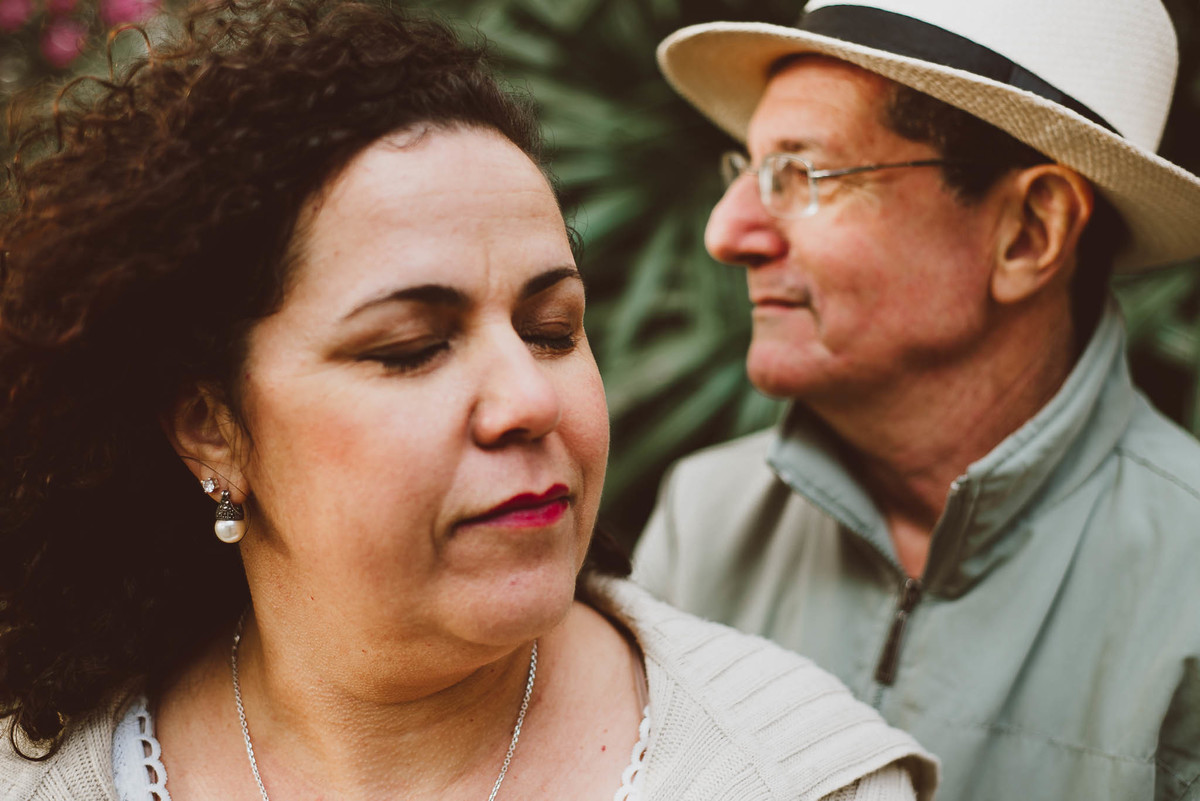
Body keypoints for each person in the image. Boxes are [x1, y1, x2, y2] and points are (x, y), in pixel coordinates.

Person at [0, 2, 937, 799]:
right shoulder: (48, 765)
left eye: (553, 330)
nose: (529, 399)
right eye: (411, 349)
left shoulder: (798, 779)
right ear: (212, 428)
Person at [633, 0, 1200, 799]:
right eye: (748, 171)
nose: (725, 234)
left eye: (800, 173)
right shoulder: (706, 520)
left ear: (1029, 232)